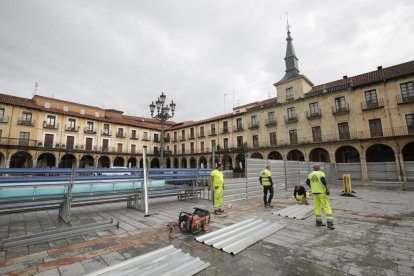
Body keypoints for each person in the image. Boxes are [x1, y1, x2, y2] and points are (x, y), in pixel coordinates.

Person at [306, 164, 334, 230]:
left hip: (315, 193)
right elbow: (323, 181)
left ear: (313, 168)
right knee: (327, 207)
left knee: (317, 207)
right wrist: (327, 189)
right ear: (319, 168)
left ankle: (318, 222)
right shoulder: (321, 173)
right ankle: (330, 223)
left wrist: (311, 187)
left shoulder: (310, 174)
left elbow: (307, 182)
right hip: (322, 193)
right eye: (319, 167)